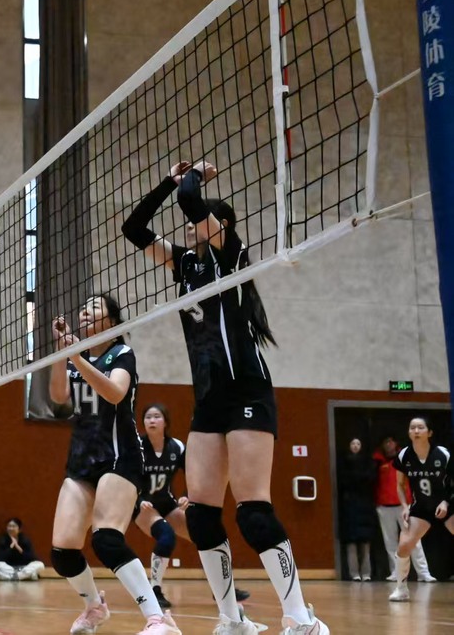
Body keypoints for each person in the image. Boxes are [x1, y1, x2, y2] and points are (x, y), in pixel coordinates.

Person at [123, 161, 329, 635]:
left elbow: (190, 201)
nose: (190, 228)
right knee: (200, 516)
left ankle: (300, 619)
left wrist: (193, 176)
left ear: (221, 225)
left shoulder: (231, 255)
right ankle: (232, 620)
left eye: (201, 222)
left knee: (253, 513)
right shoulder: (184, 265)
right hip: (209, 400)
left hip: (246, 391)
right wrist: (168, 182)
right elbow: (133, 228)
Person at [47, 297, 180, 635]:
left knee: (106, 539)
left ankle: (157, 619)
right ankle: (95, 606)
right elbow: (59, 398)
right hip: (83, 458)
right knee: (63, 551)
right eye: (83, 306)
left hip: (120, 456)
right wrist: (62, 352)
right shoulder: (77, 358)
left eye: (94, 307)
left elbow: (116, 393)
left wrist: (78, 356)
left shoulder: (121, 353)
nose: (84, 310)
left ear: (112, 321)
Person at [132, 403, 250, 609]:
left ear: (165, 422)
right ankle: (154, 590)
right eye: (148, 417)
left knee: (206, 535)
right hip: (142, 505)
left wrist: (187, 496)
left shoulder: (176, 447)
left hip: (166, 502)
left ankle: (222, 588)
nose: (152, 420)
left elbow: (193, 473)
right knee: (166, 536)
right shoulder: (137, 447)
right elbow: (127, 475)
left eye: (156, 416)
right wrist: (138, 498)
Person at [388, 416, 453, 602]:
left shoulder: (443, 454)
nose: (416, 431)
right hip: (422, 506)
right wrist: (404, 506)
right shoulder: (404, 455)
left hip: (447, 503)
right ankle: (401, 589)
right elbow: (400, 485)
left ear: (429, 433)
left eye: (420, 427)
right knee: (404, 544)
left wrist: (445, 502)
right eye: (412, 428)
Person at [374, 435, 434, 582]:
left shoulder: (406, 458)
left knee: (414, 540)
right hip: (384, 506)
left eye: (391, 441)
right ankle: (396, 572)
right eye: (386, 442)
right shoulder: (377, 462)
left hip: (404, 506)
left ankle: (423, 573)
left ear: (396, 443)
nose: (389, 444)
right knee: (390, 542)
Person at [337, 437, 378, 581]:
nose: (355, 446)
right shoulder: (343, 463)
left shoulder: (368, 463)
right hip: (349, 506)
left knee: (365, 543)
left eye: (358, 443)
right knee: (351, 543)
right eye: (353, 443)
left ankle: (366, 573)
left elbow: (370, 479)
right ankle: (354, 573)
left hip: (365, 506)